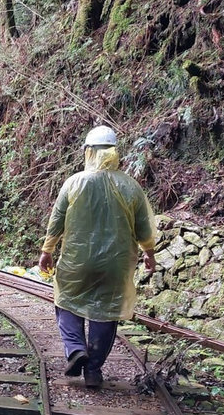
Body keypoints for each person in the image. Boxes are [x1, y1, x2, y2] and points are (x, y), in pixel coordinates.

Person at [38, 125, 157, 389]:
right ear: (115, 153)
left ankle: (76, 348)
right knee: (107, 312)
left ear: (88, 151)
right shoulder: (131, 187)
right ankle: (93, 369)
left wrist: (47, 251)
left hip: (76, 261)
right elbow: (144, 229)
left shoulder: (74, 183)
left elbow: (56, 222)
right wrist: (149, 254)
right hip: (116, 264)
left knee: (66, 301)